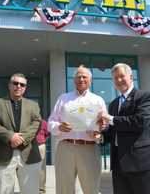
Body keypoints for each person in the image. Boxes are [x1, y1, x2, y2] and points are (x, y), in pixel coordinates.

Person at [48, 65, 107, 194]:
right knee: (64, 189)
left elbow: (104, 125)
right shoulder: (63, 98)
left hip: (89, 148)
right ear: (74, 80)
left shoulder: (98, 100)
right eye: (78, 76)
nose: (81, 79)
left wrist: (101, 129)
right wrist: (59, 127)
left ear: (90, 80)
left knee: (91, 189)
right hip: (66, 148)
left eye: (84, 76)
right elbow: (50, 123)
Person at [97, 63, 150, 194]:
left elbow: (139, 121)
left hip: (139, 164)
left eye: (122, 76)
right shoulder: (114, 104)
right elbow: (114, 130)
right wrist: (101, 136)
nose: (119, 80)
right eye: (115, 78)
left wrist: (110, 119)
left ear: (131, 77)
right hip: (118, 165)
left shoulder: (144, 96)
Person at [0, 73, 42, 194]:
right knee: (3, 191)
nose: (18, 86)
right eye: (15, 83)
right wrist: (10, 136)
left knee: (31, 191)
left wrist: (22, 138)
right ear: (9, 85)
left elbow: (37, 123)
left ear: (25, 87)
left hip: (29, 154)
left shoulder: (33, 105)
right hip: (3, 153)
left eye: (22, 84)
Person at [36, 119, 50, 194]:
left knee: (41, 168)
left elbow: (48, 134)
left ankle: (41, 190)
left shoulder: (43, 122)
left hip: (40, 146)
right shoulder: (25, 121)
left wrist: (42, 141)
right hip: (27, 147)